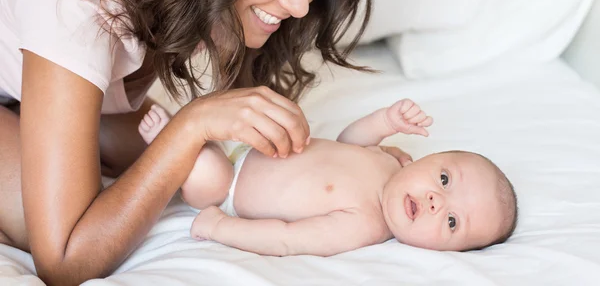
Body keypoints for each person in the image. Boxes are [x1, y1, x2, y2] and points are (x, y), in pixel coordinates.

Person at [0, 0, 377, 284]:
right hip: (39, 57)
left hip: (18, 85)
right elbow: (64, 263)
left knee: (163, 164)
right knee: (54, 226)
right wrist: (191, 124)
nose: (301, 5)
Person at [139, 99, 518, 255]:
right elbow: (348, 143)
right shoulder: (389, 163)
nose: (437, 200)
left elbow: (287, 239)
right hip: (253, 146)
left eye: (452, 221)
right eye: (445, 180)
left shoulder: (364, 225)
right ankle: (182, 133)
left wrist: (219, 226)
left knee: (204, 167)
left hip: (230, 188)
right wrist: (385, 123)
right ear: (428, 159)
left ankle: (169, 146)